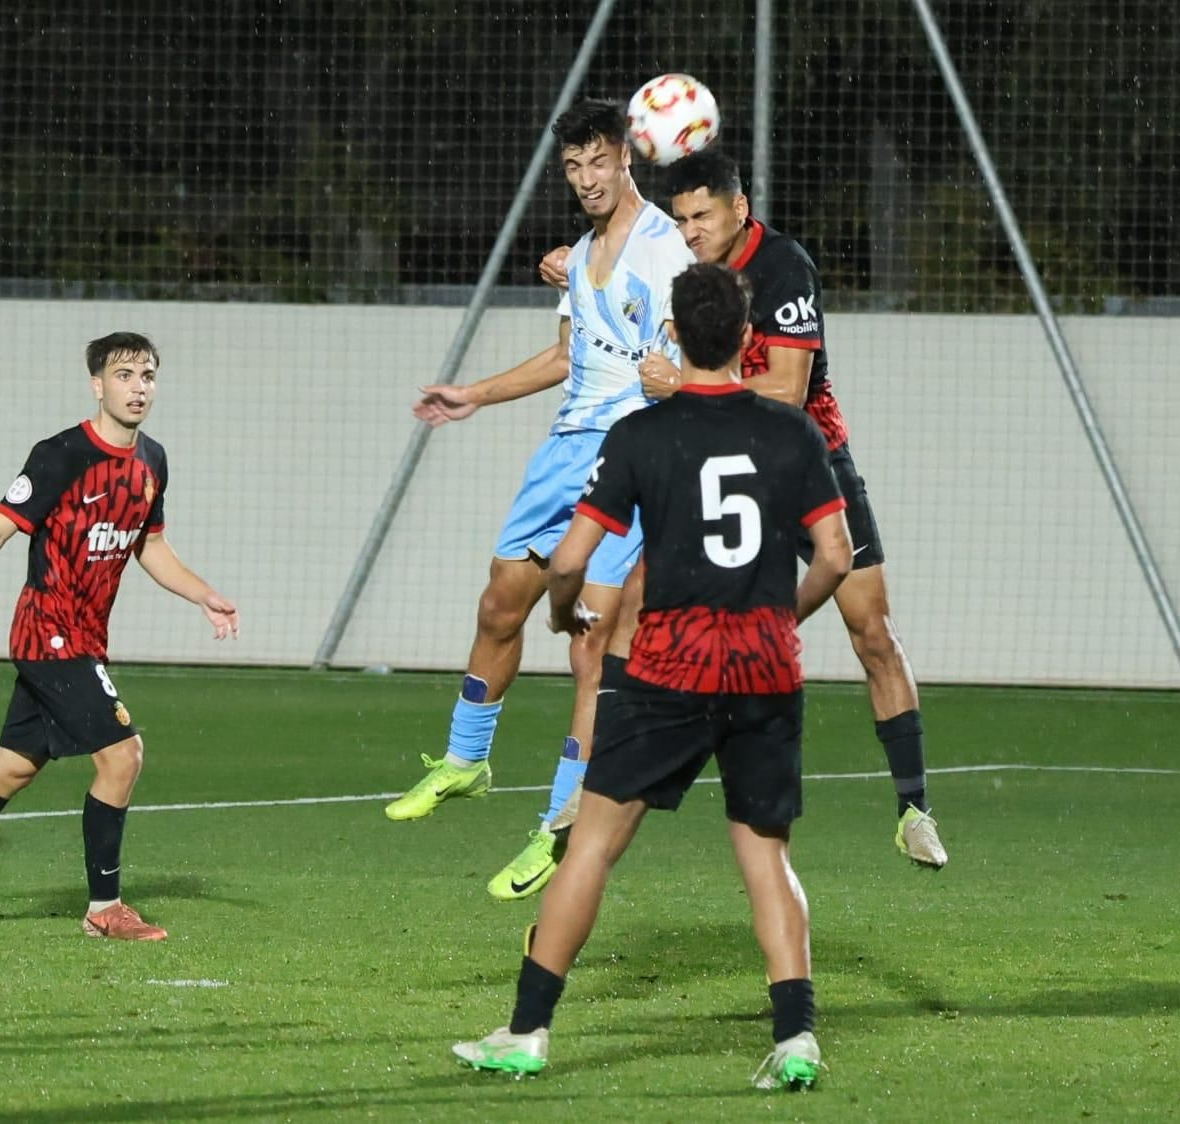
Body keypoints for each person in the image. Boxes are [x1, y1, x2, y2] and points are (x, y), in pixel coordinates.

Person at [453, 263, 852, 1090]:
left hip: (669, 667)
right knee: (767, 859)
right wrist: (780, 618)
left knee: (591, 849)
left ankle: (526, 1032)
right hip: (764, 670)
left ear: (675, 334)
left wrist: (563, 613)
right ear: (748, 338)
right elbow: (837, 556)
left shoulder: (641, 434)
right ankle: (797, 1040)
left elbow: (571, 558)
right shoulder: (793, 434)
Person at [539, 148, 947, 867]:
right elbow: (620, 268)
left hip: (807, 460)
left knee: (873, 631)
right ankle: (590, 783)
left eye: (702, 215)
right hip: (719, 460)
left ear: (740, 209)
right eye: (681, 218)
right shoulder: (682, 265)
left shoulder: (783, 267)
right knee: (634, 606)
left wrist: (682, 387)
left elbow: (788, 390)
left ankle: (915, 809)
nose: (690, 230)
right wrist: (572, 266)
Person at [385, 98, 694, 902]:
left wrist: (680, 402)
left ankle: (557, 825)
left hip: (631, 458)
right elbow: (567, 355)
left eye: (598, 161)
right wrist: (476, 394)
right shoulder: (581, 253)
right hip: (564, 452)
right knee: (500, 603)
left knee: (590, 645)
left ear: (627, 157)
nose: (587, 179)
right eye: (573, 167)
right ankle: (466, 760)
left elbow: (690, 354)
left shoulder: (666, 249)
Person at [0, 331, 238, 940]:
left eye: (147, 376)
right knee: (124, 755)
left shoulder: (152, 461)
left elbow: (149, 545)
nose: (138, 388)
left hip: (86, 638)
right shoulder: (61, 454)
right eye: (124, 376)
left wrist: (202, 593)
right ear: (97, 385)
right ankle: (104, 909)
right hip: (48, 632)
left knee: (10, 770)